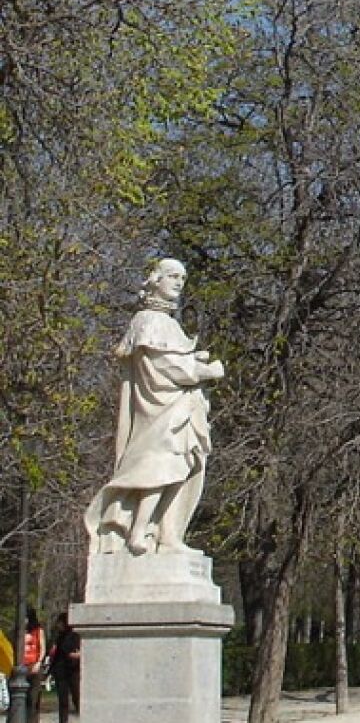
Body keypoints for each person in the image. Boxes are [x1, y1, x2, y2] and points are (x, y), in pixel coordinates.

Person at [82, 259, 227, 555]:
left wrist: (195, 361)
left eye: (183, 278)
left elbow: (174, 361)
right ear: (155, 280)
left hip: (180, 411)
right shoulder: (148, 321)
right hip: (161, 414)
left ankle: (168, 534)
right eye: (173, 276)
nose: (178, 283)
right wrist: (205, 371)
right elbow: (165, 366)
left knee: (182, 469)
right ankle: (138, 532)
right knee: (159, 469)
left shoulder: (167, 324)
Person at [46, 613, 78, 723]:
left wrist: (76, 655)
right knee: (63, 701)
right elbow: (57, 654)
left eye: (60, 622)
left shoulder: (75, 635)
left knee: (76, 697)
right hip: (61, 671)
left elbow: (78, 651)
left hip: (73, 670)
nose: (58, 625)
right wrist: (50, 671)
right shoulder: (59, 637)